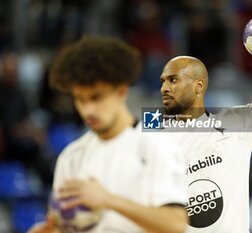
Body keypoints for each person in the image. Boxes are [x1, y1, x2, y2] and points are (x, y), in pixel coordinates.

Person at [157, 24, 252, 232]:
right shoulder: (153, 141)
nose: (164, 88)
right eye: (163, 82)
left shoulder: (236, 123)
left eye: (173, 80)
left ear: (199, 86)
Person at [28, 37, 188, 233]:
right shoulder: (71, 157)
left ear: (121, 91)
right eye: (80, 99)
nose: (88, 110)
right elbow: (67, 224)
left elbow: (176, 223)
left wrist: (108, 200)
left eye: (97, 97)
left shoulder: (156, 145)